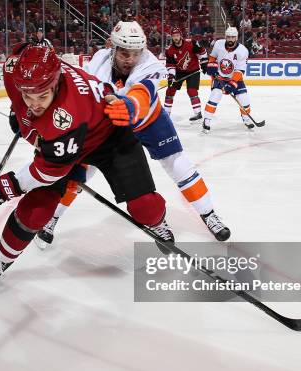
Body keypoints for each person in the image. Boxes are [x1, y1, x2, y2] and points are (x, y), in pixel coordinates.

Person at [0, 43, 175, 291]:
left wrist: (4, 187)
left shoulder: (66, 114)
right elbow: (22, 48)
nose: (34, 105)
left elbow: (47, 172)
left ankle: (158, 222)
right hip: (68, 140)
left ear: (56, 83)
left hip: (108, 135)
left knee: (145, 207)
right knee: (35, 211)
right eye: (27, 96)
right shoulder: (15, 68)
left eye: (42, 96)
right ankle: (0, 261)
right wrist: (19, 110)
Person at [35, 21, 230, 249]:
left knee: (179, 164)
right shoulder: (98, 60)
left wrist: (128, 105)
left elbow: (142, 93)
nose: (130, 59)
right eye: (124, 53)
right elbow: (80, 93)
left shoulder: (150, 63)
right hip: (108, 124)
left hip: (147, 118)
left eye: (135, 53)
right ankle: (53, 218)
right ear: (113, 48)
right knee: (78, 174)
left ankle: (209, 215)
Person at [202, 26, 253, 133]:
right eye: (228, 37)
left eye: (232, 37)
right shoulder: (219, 44)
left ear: (236, 38)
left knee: (244, 99)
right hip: (219, 77)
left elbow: (240, 71)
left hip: (235, 78)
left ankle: (246, 119)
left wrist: (232, 83)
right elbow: (213, 57)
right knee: (215, 95)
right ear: (225, 37)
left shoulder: (243, 51)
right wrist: (211, 66)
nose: (230, 39)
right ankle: (206, 120)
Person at [163, 27, 208, 121]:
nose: (176, 37)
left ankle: (198, 113)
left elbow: (202, 51)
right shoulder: (169, 50)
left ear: (181, 36)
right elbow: (170, 64)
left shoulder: (191, 43)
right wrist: (171, 76)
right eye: (174, 36)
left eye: (177, 35)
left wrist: (204, 63)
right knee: (170, 90)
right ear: (171, 37)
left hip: (193, 71)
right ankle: (166, 114)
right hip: (179, 72)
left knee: (192, 91)